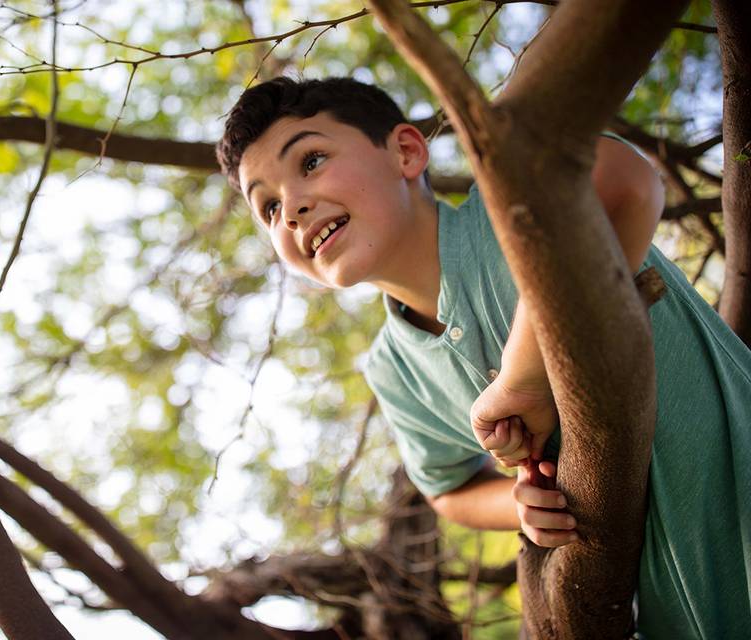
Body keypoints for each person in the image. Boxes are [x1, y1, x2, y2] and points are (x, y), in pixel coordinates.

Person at [216, 76, 751, 638]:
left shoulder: (511, 212)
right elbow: (448, 491)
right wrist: (519, 504)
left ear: (405, 151)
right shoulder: (393, 371)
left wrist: (525, 376)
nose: (293, 208)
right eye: (269, 208)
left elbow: (624, 180)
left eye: (311, 160)